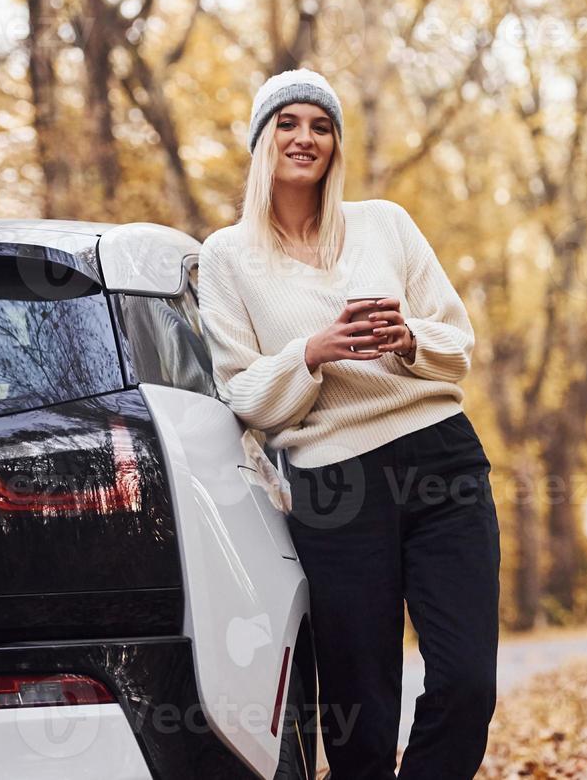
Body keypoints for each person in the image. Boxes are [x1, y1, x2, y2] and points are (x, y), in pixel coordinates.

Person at [195, 68, 501, 780]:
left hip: (441, 462)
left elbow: (458, 346)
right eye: (289, 123)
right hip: (335, 484)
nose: (306, 137)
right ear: (262, 139)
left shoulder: (384, 224)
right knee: (359, 712)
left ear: (335, 143)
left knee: (465, 683)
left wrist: (408, 339)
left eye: (321, 125)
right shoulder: (226, 256)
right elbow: (243, 394)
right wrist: (312, 352)